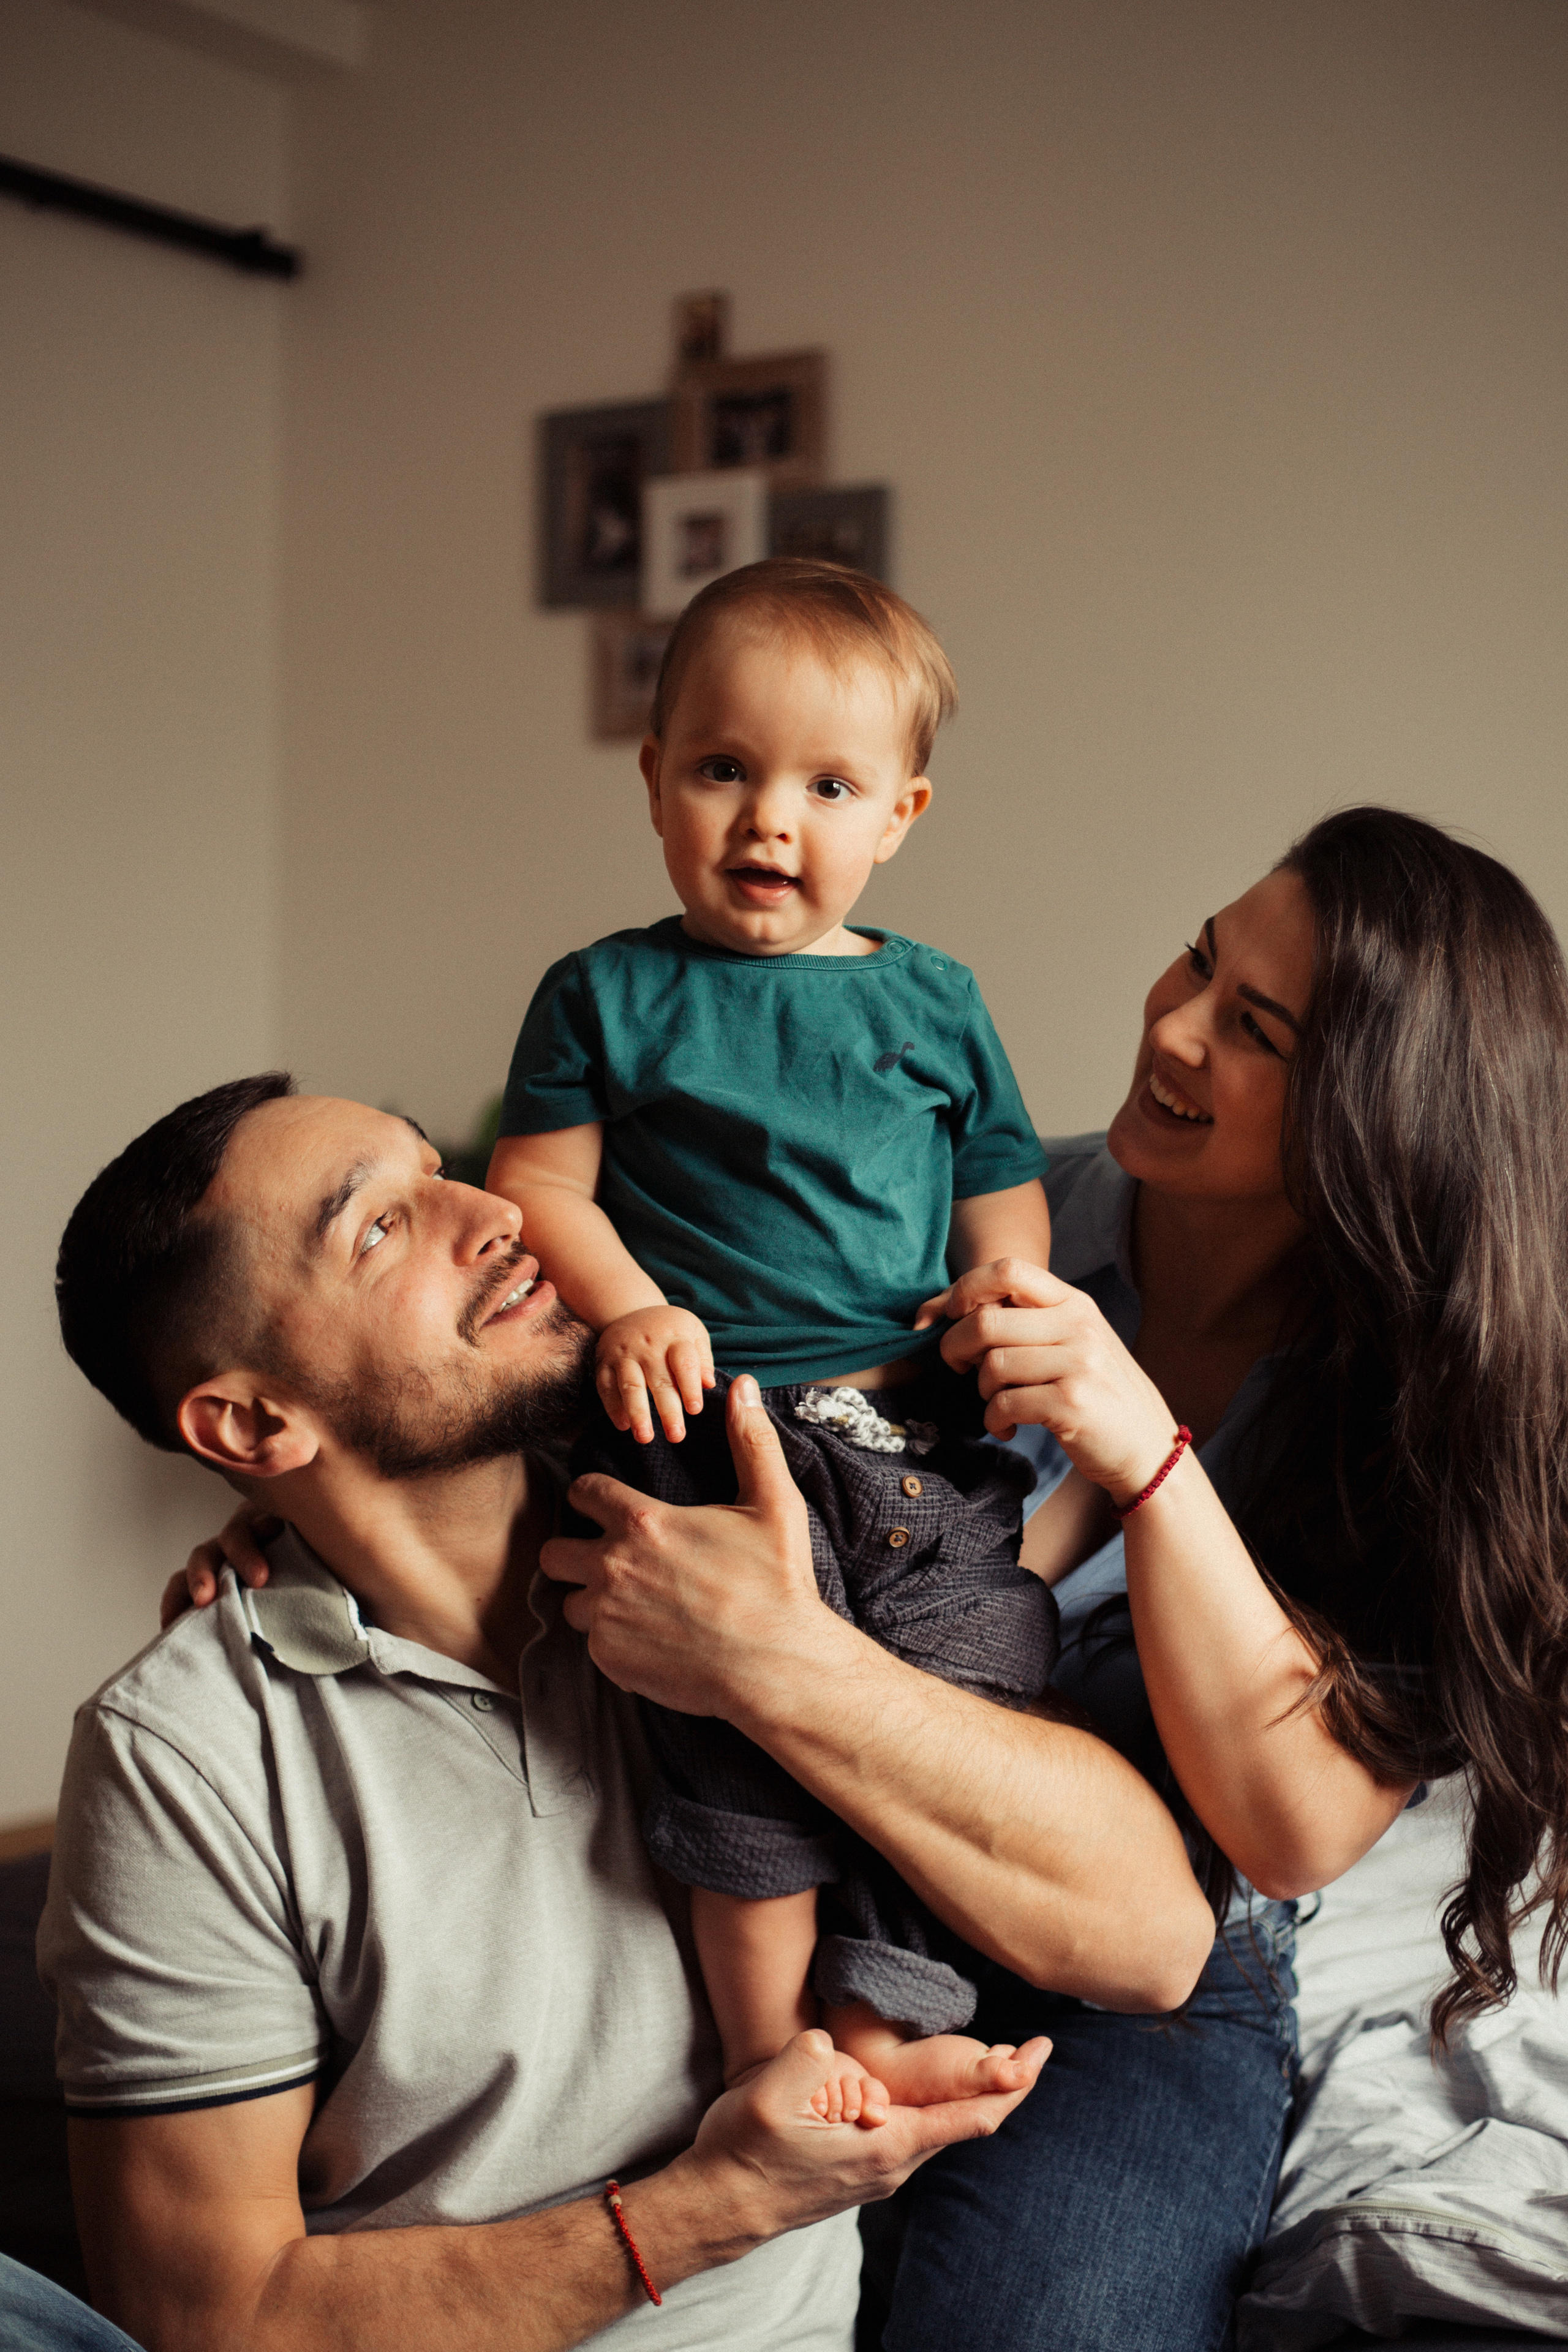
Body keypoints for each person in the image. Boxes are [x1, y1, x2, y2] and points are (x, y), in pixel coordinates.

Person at [546, 807, 1568, 2351]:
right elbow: (657, 1380)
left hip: (1131, 1978)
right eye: (1200, 961)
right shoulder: (962, 1218)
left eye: (1254, 1030)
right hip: (791, 1864)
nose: (1169, 1027)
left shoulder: (1434, 1405)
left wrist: (1144, 1455)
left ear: (1375, 1118)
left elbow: (1284, 1835)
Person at [41, 1076, 1213, 2352]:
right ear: (254, 1421)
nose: (492, 1214)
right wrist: (715, 2208)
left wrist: (778, 1658)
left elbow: (1152, 1943)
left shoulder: (755, 1510)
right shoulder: (183, 1755)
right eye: (376, 1227)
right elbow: (203, 2312)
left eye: (440, 1170)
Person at [488, 558, 1056, 2119]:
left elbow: (999, 1192)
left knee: (962, 1688)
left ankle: (881, 2007)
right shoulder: (606, 993)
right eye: (723, 770)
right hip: (706, 1435)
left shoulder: (936, 1003)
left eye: (825, 784)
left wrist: (996, 1289)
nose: (766, 822)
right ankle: (761, 2049)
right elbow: (537, 1187)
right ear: (654, 777)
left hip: (907, 1444)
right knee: (736, 1744)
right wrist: (632, 1306)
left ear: (899, 816)